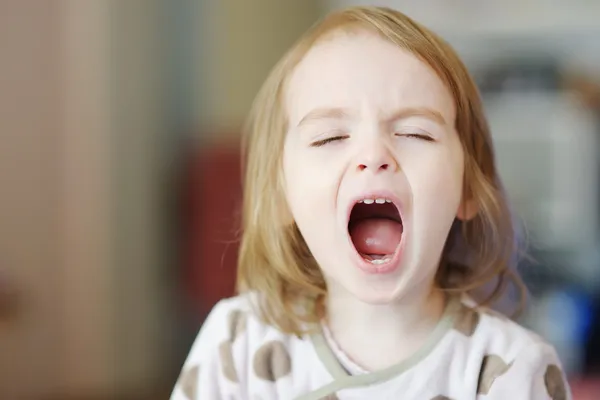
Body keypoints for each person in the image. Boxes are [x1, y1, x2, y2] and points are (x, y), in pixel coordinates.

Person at [171, 6, 571, 400]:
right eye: (329, 138)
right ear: (281, 195)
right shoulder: (237, 346)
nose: (373, 153)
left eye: (416, 133)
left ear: (468, 188)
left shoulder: (510, 369)